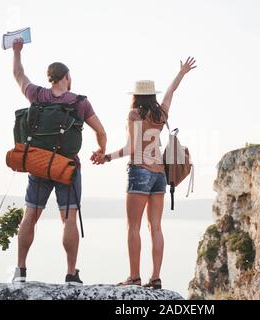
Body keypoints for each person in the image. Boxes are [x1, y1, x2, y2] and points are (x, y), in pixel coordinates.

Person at [92, 57, 197, 289]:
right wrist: (181, 73)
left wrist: (107, 157)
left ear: (136, 96)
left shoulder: (134, 115)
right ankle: (156, 279)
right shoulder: (161, 115)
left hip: (140, 171)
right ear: (152, 95)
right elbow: (171, 91)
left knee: (133, 227)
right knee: (156, 227)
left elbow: (132, 148)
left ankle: (134, 277)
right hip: (159, 174)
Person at [11, 38, 107, 285]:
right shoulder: (79, 102)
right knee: (69, 218)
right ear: (67, 76)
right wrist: (100, 150)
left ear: (50, 78)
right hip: (67, 167)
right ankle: (71, 273)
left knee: (30, 214)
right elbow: (101, 131)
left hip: (39, 164)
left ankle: (20, 271)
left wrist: (17, 51)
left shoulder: (36, 94)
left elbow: (18, 74)